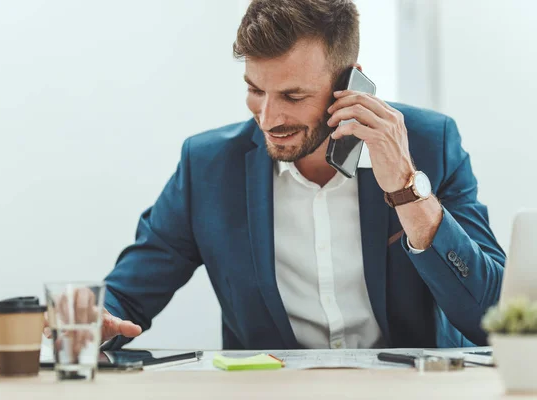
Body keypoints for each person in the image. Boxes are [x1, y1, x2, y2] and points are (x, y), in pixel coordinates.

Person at [63, 0, 507, 350]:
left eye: (293, 95)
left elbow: (493, 319)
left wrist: (408, 191)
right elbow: (129, 296)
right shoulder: (208, 166)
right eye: (255, 90)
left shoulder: (429, 143)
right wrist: (92, 319)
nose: (268, 117)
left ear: (350, 85)